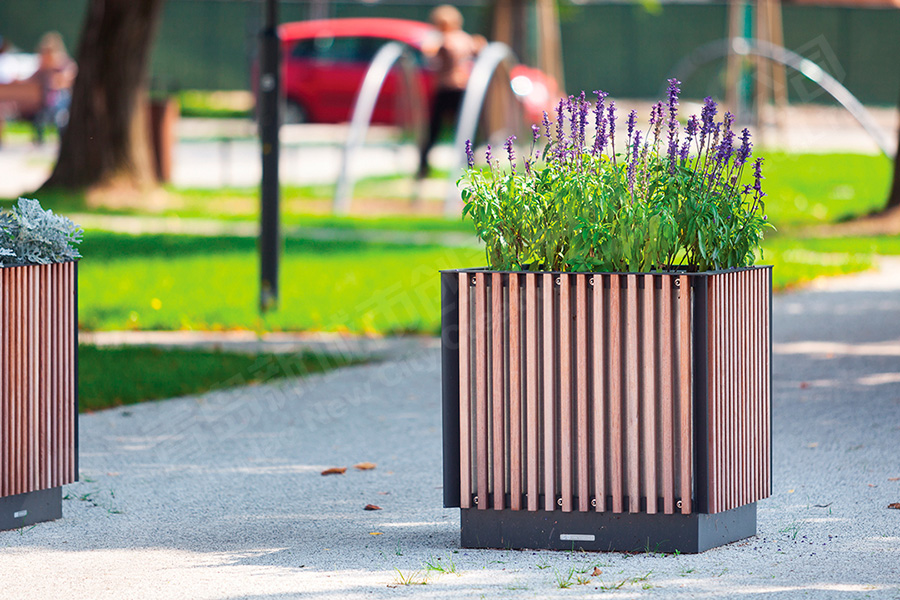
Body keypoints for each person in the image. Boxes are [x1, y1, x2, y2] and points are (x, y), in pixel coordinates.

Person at [417, 5, 484, 179]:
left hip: (449, 89)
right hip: (459, 89)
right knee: (461, 128)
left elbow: (433, 59)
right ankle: (468, 165)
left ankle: (425, 167)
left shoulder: (447, 40)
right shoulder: (465, 39)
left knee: (437, 130)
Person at [30, 32, 77, 144]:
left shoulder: (64, 65)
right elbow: (30, 79)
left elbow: (70, 77)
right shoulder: (43, 69)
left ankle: (63, 141)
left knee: (60, 116)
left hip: (62, 102)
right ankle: (40, 140)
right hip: (45, 104)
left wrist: (59, 79)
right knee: (41, 116)